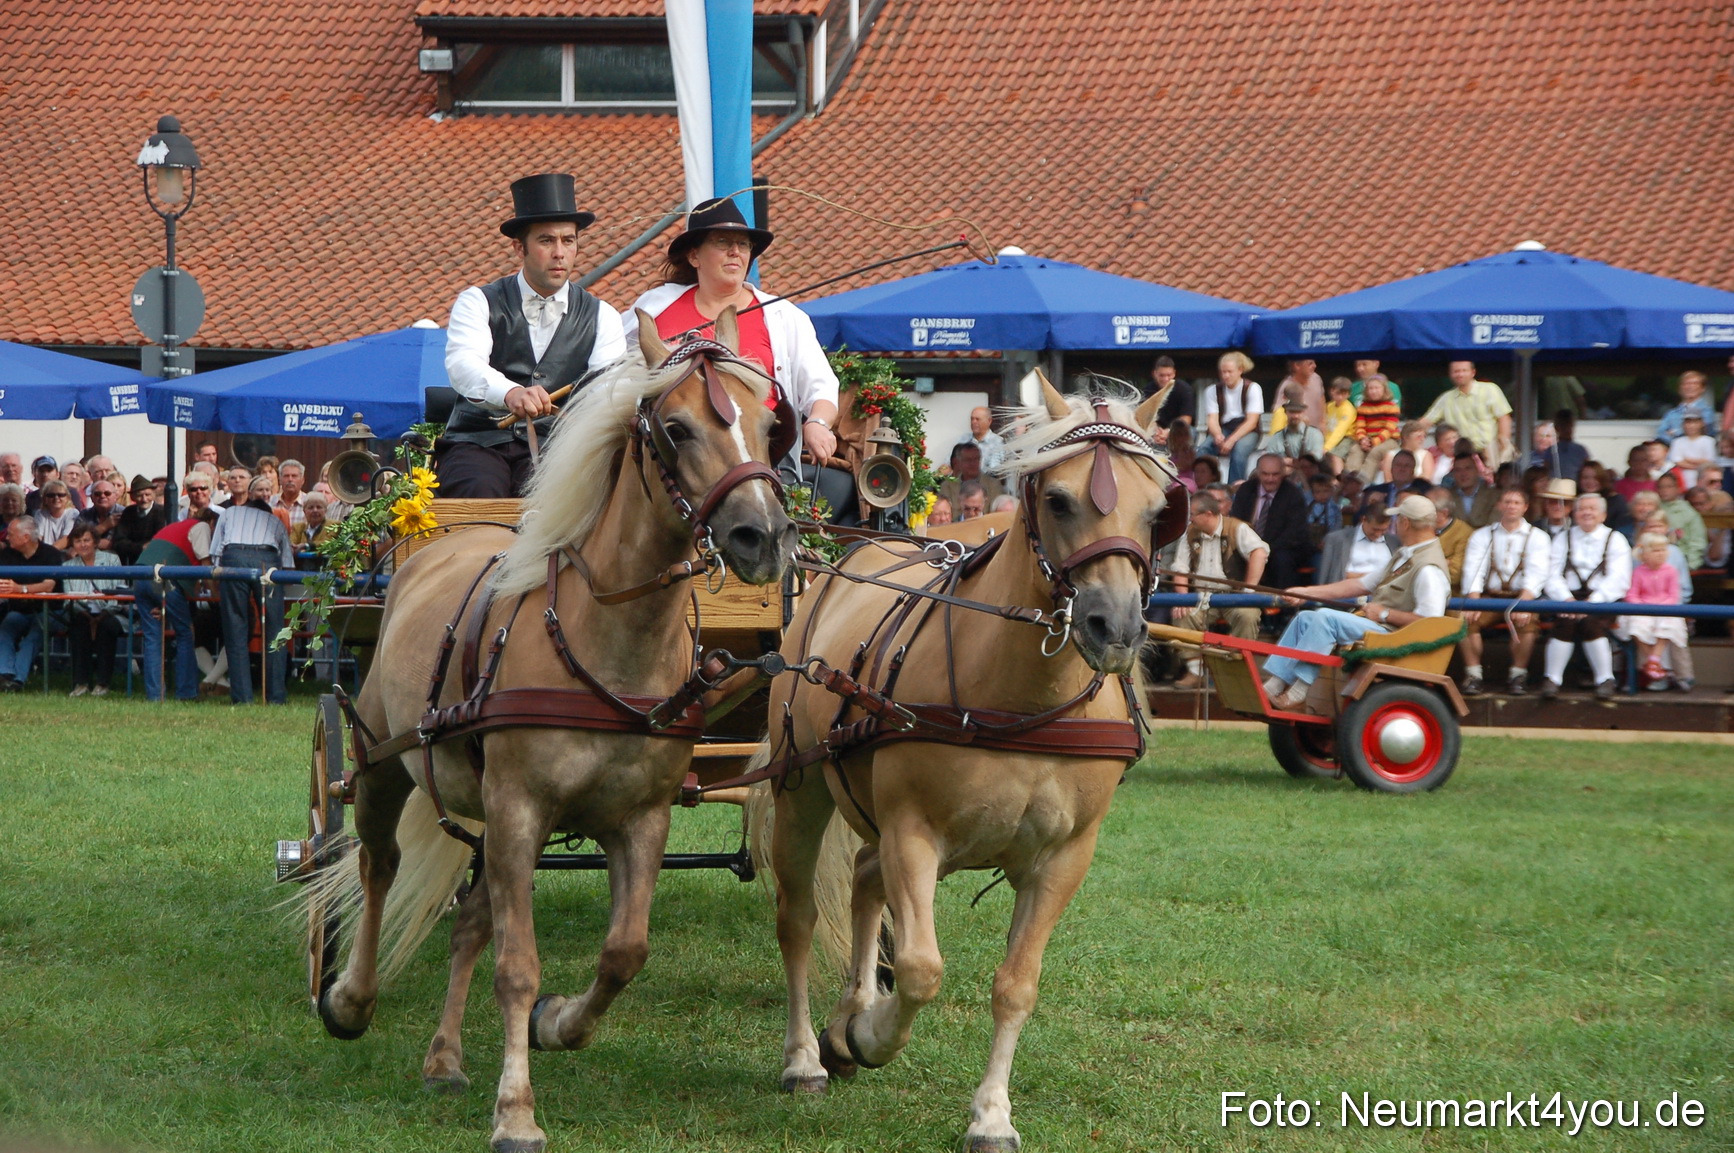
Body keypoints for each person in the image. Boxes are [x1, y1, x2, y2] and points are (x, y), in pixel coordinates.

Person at [624, 195, 843, 509]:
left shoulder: (784, 316)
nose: (735, 252)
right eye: (722, 242)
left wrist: (818, 423)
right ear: (694, 255)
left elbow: (821, 388)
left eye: (743, 244)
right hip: (671, 465)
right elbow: (614, 373)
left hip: (764, 460)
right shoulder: (653, 308)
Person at [439, 173, 629, 499]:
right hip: (478, 442)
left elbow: (606, 392)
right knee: (479, 491)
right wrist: (510, 392)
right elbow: (463, 363)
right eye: (546, 241)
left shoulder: (604, 316)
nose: (559, 253)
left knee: (554, 500)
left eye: (568, 240)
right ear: (519, 248)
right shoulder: (478, 301)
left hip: (557, 447)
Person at [1260, 495, 1449, 710]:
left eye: (1397, 520)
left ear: (1405, 523)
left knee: (1324, 618)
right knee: (1305, 618)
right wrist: (1306, 593)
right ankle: (1275, 684)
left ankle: (1299, 690)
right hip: (1382, 628)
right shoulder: (1405, 555)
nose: (1395, 525)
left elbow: (1430, 623)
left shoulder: (1428, 568)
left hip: (1395, 635)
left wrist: (1385, 614)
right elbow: (1359, 585)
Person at [1168, 491, 1269, 689]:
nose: (1190, 519)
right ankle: (1196, 671)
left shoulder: (1237, 528)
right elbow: (1180, 569)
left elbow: (1259, 553)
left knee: (1247, 616)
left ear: (1208, 514)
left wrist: (1248, 592)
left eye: (1193, 515)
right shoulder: (1190, 533)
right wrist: (1183, 599)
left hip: (1234, 597)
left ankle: (1236, 670)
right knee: (1182, 614)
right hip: (1202, 598)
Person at [210, 474, 295, 705]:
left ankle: (242, 698)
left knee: (235, 629)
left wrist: (218, 583)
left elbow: (215, 552)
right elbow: (288, 564)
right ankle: (276, 696)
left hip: (233, 557)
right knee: (276, 630)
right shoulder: (275, 521)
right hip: (268, 559)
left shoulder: (229, 513)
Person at [1457, 487, 1550, 695]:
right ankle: (1473, 675)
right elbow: (1473, 569)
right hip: (1490, 597)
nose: (1511, 506)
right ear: (1499, 505)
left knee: (1528, 622)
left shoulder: (1538, 537)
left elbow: (1537, 573)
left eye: (1516, 503)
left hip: (1522, 597)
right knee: (1465, 620)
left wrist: (1524, 603)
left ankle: (1518, 675)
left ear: (1525, 507)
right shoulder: (1482, 535)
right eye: (1507, 502)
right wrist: (1473, 600)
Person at [132, 474, 216, 703]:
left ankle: (154, 695)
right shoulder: (202, 527)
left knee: (152, 637)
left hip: (140, 575)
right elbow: (205, 565)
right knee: (185, 633)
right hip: (165, 580)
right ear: (212, 523)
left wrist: (165, 606)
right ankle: (186, 692)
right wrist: (216, 595)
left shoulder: (175, 527)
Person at [1540, 493, 1632, 700]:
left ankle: (1605, 679)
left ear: (1603, 515)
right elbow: (1551, 574)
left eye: (1592, 509)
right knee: (1565, 621)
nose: (1586, 513)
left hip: (1603, 599)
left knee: (1591, 622)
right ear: (1575, 514)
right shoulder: (1563, 538)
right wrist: (1566, 599)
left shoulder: (1616, 539)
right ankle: (1552, 680)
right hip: (1567, 598)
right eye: (1582, 509)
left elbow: (1619, 578)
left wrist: (1593, 603)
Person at [1615, 533, 1690, 692]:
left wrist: (1659, 607)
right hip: (1643, 610)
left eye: (1663, 550)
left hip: (1665, 609)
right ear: (1644, 554)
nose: (1660, 553)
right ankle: (1653, 661)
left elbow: (1674, 596)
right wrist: (1643, 606)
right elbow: (1632, 594)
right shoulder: (1638, 572)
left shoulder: (1671, 571)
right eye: (1656, 550)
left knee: (1669, 623)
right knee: (1636, 625)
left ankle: (1653, 660)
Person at [59, 521, 125, 697]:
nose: (83, 545)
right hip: (82, 613)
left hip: (109, 612)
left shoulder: (112, 560)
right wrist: (89, 618)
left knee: (107, 627)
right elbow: (68, 600)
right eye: (78, 541)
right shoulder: (67, 567)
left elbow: (119, 593)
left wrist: (102, 616)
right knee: (78, 627)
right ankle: (80, 683)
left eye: (86, 540)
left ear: (95, 542)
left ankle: (103, 683)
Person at [0, 516, 66, 690]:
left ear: (25, 537)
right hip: (20, 611)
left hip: (50, 611)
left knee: (34, 637)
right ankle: (5, 674)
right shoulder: (7, 554)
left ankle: (17, 680)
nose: (7, 538)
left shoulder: (51, 554)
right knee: (4, 631)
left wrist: (20, 589)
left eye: (11, 534)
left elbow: (49, 585)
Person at [1229, 453, 1309, 587]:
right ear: (1258, 473)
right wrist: (1251, 548)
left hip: (1280, 548)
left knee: (1282, 560)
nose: (1270, 479)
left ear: (1283, 473)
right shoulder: (1246, 489)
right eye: (1265, 474)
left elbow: (1294, 533)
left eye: (1275, 474)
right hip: (1247, 544)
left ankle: (1280, 599)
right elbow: (1236, 521)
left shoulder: (1293, 494)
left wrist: (1264, 551)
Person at [1420, 360, 1513, 469]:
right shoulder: (1446, 398)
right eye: (1456, 371)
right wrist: (1409, 437)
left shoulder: (1490, 390)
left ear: (1473, 372)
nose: (1460, 374)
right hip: (1462, 456)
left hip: (1490, 452)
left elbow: (1504, 418)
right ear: (1450, 374)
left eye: (1464, 370)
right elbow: (1426, 422)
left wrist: (1503, 446)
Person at [1201, 351, 1264, 483]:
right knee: (1203, 450)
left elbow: (1252, 421)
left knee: (1239, 452)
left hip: (1248, 430)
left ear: (1240, 370)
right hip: (1224, 427)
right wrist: (1217, 435)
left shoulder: (1252, 388)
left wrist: (1231, 440)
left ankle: (1234, 488)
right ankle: (1204, 485)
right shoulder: (1212, 390)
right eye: (1223, 372)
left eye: (1229, 372)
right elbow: (1212, 419)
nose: (1226, 376)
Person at [1315, 500, 1393, 585]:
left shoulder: (1394, 542)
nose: (1378, 534)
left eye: (1383, 530)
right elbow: (1332, 575)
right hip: (1349, 589)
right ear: (1363, 520)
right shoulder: (1337, 539)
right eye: (1375, 529)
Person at [1343, 375, 1401, 480]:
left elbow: (1389, 429)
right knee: (1355, 450)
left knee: (1375, 452)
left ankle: (1363, 481)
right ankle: (1350, 479)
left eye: (1376, 388)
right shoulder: (1363, 407)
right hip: (1368, 439)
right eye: (1370, 388)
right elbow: (1360, 426)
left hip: (1388, 440)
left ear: (1384, 389)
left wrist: (1374, 442)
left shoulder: (1392, 407)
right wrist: (1362, 439)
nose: (1373, 391)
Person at [1654, 473, 1706, 569]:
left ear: (1677, 488)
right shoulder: (1654, 509)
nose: (1664, 490)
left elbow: (1697, 541)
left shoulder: (1688, 512)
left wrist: (1691, 564)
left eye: (1669, 486)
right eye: (1661, 487)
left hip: (1682, 558)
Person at [112, 474, 167, 564]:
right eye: (139, 495)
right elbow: (119, 542)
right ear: (132, 497)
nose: (144, 499)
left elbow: (160, 542)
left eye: (147, 495)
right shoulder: (128, 513)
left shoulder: (162, 512)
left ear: (154, 495)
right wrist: (140, 547)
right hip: (133, 563)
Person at [937, 442, 1006, 511]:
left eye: (976, 459)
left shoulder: (993, 485)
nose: (973, 463)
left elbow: (998, 513)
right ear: (959, 462)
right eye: (968, 460)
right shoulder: (947, 487)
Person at [1656, 370, 1720, 444]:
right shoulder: (1671, 413)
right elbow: (1661, 433)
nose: (1690, 387)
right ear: (1680, 389)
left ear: (1702, 389)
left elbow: (1702, 432)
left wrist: (1674, 432)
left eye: (1695, 383)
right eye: (1686, 384)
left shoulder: (1707, 411)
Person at [1427, 485, 1473, 586]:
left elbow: (1455, 574)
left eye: (1428, 511)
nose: (1423, 514)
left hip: (1451, 593)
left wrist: (1427, 564)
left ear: (1444, 513)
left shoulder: (1464, 533)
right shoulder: (1421, 529)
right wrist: (1444, 562)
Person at [1442, 448, 1499, 528]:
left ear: (1477, 471)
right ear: (1453, 474)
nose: (1463, 474)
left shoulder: (1494, 495)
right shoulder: (1447, 497)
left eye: (1468, 468)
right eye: (1458, 470)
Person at [1260, 397, 1323, 465]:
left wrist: (1288, 462)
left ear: (1304, 413)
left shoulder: (1314, 434)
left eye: (1298, 412)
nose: (1295, 416)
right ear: (1285, 412)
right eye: (1292, 412)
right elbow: (1269, 461)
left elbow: (1317, 458)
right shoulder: (1276, 437)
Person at [1147, 356, 1194, 442]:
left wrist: (1169, 432)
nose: (1165, 379)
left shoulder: (1184, 389)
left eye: (1169, 375)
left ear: (1174, 374)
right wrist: (1157, 432)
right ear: (1155, 374)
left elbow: (1186, 418)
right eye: (1162, 375)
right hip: (1156, 430)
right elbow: (1147, 417)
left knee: (1190, 432)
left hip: (1178, 428)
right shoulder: (1147, 390)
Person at [1664, 412, 1716, 489]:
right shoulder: (1677, 441)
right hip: (1682, 479)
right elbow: (1677, 461)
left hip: (1703, 478)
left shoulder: (1709, 441)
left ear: (1701, 424)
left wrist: (1688, 459)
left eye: (1695, 422)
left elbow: (1709, 461)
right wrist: (1697, 465)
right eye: (1688, 423)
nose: (1691, 426)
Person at [78, 477, 123, 552]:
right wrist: (104, 526)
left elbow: (125, 542)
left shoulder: (124, 513)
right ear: (92, 498)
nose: (102, 496)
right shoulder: (84, 514)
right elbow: (76, 539)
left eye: (107, 493)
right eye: (97, 494)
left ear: (115, 497)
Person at [31, 480, 79, 549]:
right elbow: (38, 538)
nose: (56, 498)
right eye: (51, 495)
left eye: (61, 495)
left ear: (67, 498)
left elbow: (66, 539)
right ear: (45, 499)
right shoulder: (40, 514)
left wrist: (49, 552)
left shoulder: (73, 513)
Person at [956, 405, 1006, 470]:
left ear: (989, 421)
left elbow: (994, 470)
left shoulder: (997, 442)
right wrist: (943, 471)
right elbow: (949, 463)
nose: (974, 422)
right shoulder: (964, 439)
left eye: (977, 419)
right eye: (972, 419)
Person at [273, 459, 310, 546]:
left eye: (294, 476)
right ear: (279, 480)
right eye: (286, 476)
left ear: (302, 480)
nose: (290, 479)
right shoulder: (270, 502)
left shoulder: (310, 503)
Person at [1534, 476, 1576, 542]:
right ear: (1545, 504)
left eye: (1563, 503)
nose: (1557, 506)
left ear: (1572, 506)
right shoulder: (1534, 528)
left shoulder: (1579, 529)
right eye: (1552, 502)